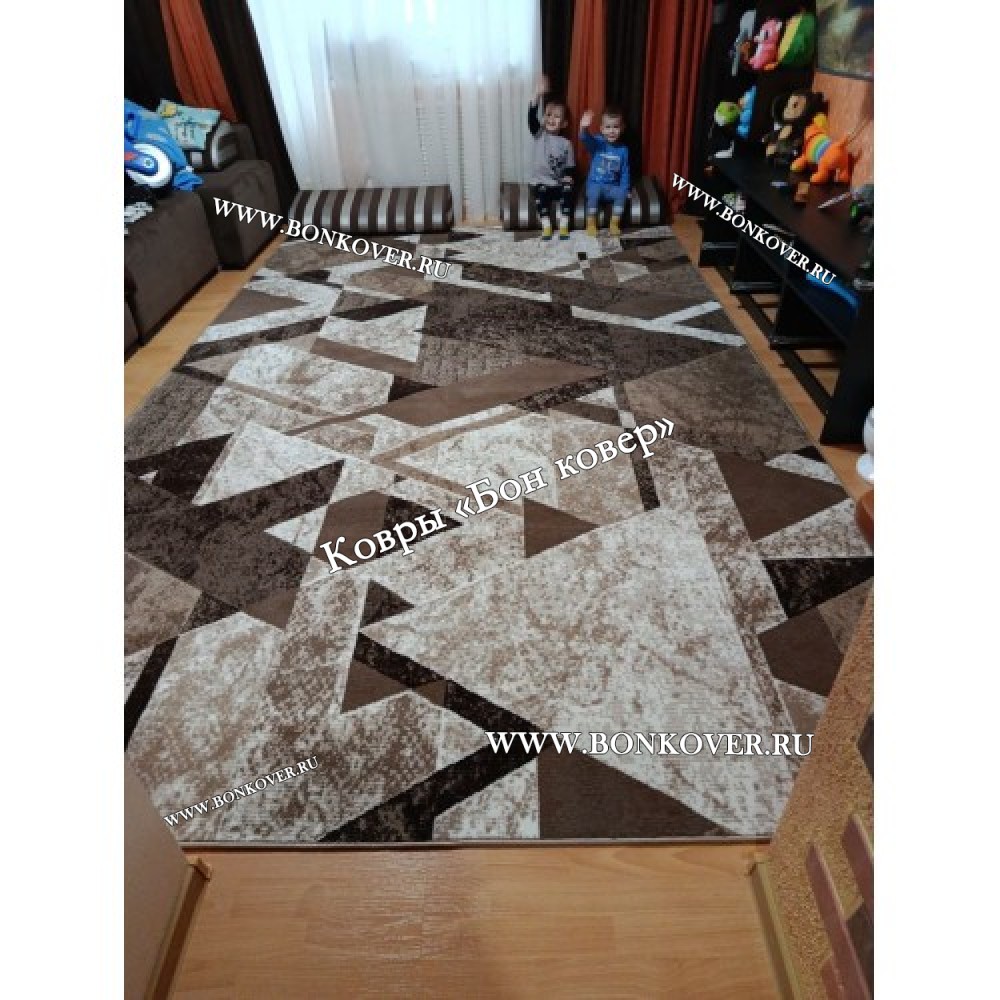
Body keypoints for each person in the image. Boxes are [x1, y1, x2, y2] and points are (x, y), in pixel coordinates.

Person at [528, 75, 575, 240]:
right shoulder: (540, 134)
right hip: (540, 183)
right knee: (540, 194)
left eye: (556, 116)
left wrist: (568, 177)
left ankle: (564, 224)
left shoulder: (567, 144)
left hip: (558, 184)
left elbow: (570, 166)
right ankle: (546, 225)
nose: (551, 119)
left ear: (564, 123)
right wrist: (537, 94)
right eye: (548, 115)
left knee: (569, 190)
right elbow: (531, 118)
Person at [579, 106, 631, 237]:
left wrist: (625, 189)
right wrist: (584, 128)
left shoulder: (623, 149)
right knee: (593, 194)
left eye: (615, 127)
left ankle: (614, 223)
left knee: (622, 194)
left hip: (612, 187)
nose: (612, 131)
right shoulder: (598, 143)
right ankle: (591, 223)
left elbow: (625, 172)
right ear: (602, 129)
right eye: (608, 127)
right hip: (596, 184)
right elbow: (585, 139)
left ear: (622, 128)